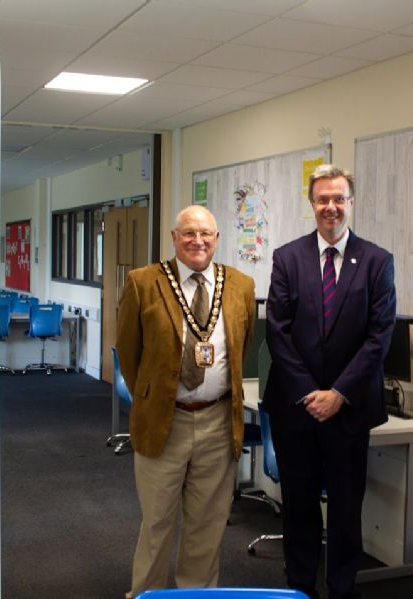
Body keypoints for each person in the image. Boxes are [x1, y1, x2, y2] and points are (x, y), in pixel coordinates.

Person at [263, 164, 396, 599]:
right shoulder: (287, 258)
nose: (331, 207)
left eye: (339, 199)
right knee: (298, 507)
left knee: (345, 510)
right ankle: (300, 588)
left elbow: (380, 336)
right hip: (295, 409)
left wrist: (338, 393)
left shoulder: (377, 261)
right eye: (323, 199)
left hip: (349, 411)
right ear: (312, 204)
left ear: (351, 203)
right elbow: (277, 333)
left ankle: (341, 589)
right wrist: (309, 392)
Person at [116, 205, 255, 596]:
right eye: (189, 233)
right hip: (165, 421)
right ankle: (147, 594)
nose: (198, 241)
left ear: (217, 239)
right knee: (157, 524)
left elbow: (242, 346)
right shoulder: (143, 282)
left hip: (216, 422)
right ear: (174, 238)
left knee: (206, 528)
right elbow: (128, 353)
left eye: (205, 234)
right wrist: (153, 396)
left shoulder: (241, 286)